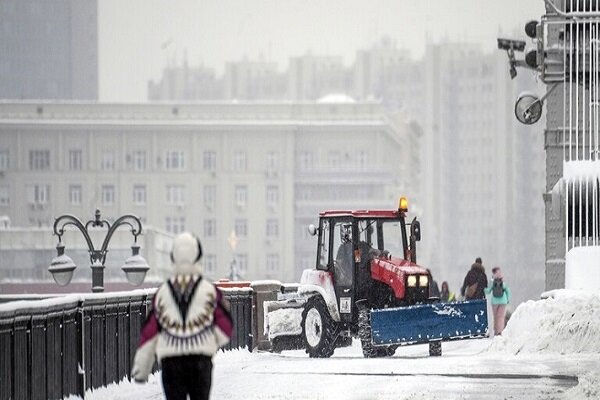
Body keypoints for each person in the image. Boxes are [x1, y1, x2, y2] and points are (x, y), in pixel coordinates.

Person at [131, 232, 233, 400]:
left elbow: (149, 333)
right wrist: (211, 342)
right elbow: (226, 328)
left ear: (173, 257)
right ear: (198, 256)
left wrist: (142, 369)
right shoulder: (209, 291)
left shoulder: (162, 293)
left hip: (171, 363)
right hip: (201, 362)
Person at [484, 266, 511, 335]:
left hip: (495, 301)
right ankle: (500, 331)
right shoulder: (502, 280)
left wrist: (484, 289)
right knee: (501, 317)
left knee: (495, 317)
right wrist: (508, 299)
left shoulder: (492, 281)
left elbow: (488, 291)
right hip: (503, 301)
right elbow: (507, 290)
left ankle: (495, 331)